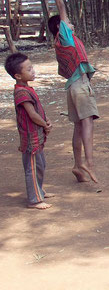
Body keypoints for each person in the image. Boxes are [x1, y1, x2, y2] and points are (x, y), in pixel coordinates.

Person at [45, 0, 98, 183]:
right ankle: (89, 162)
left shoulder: (60, 43)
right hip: (80, 87)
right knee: (87, 124)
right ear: (60, 26)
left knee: (78, 126)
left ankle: (77, 166)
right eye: (67, 22)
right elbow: (61, 6)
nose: (71, 23)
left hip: (72, 88)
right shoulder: (64, 35)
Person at [4, 53, 53, 209]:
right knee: (32, 168)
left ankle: (38, 191)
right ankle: (34, 199)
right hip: (30, 137)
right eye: (29, 69)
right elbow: (32, 114)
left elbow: (37, 110)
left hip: (36, 135)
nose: (33, 71)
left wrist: (46, 121)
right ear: (18, 75)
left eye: (32, 67)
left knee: (40, 165)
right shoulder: (21, 93)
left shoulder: (26, 88)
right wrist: (45, 124)